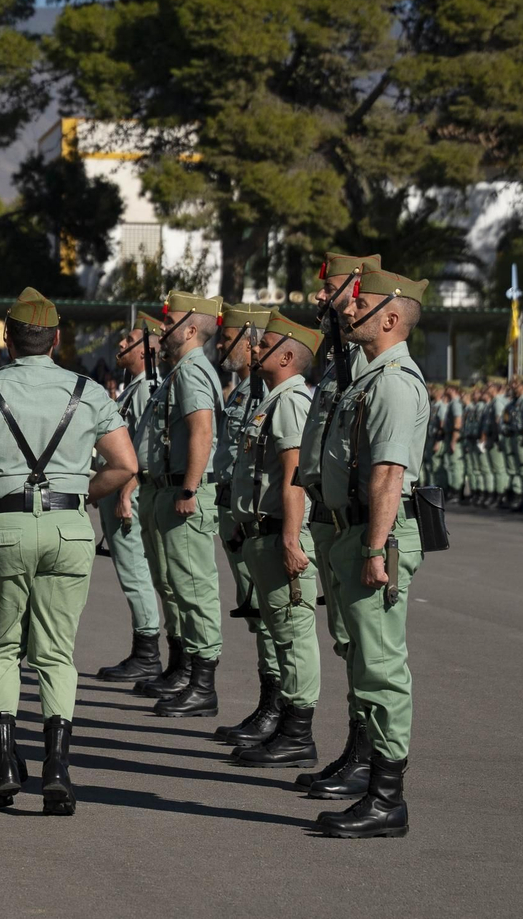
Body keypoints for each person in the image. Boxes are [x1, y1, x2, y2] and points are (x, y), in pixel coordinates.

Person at [0, 288, 137, 816]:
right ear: (57, 339)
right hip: (69, 528)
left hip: (5, 525)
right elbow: (124, 465)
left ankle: (3, 766)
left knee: (0, 648)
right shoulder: (86, 390)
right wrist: (78, 496)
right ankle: (58, 770)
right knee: (56, 653)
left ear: (8, 339)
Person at [314, 268, 431, 839]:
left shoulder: (391, 382)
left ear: (389, 318)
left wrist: (376, 547)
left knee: (381, 666)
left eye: (359, 305)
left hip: (372, 534)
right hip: (355, 531)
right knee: (363, 660)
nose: (347, 310)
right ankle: (372, 779)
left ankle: (388, 798)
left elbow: (388, 474)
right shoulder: (370, 376)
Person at [293, 250, 381, 800]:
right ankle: (356, 747)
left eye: (332, 289)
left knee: (366, 649)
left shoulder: (371, 362)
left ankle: (369, 754)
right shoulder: (341, 359)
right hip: (330, 519)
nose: (321, 299)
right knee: (347, 643)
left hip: (355, 523)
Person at [227, 312, 324, 769]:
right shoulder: (271, 399)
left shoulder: (289, 401)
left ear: (286, 355)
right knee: (280, 633)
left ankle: (298, 732)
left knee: (294, 633)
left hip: (279, 534)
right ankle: (284, 719)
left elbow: (294, 474)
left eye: (263, 343)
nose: (253, 348)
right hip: (260, 531)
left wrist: (290, 537)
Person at [138, 290, 226, 719]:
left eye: (170, 323)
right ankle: (190, 672)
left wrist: (189, 489)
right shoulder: (181, 371)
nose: (163, 329)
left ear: (191, 330)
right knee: (178, 586)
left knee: (195, 589)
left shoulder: (192, 372)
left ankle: (203, 684)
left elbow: (202, 432)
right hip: (168, 489)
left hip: (183, 493)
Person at [211, 305, 283, 740]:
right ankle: (269, 702)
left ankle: (278, 708)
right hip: (238, 513)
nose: (222, 343)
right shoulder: (242, 390)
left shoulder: (264, 392)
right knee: (258, 613)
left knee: (268, 614)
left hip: (258, 517)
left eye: (231, 335)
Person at [93, 315, 165, 684]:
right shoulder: (136, 387)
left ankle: (147, 652)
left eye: (130, 340)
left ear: (149, 349)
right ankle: (145, 649)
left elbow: (143, 451)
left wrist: (125, 492)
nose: (121, 345)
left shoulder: (149, 388)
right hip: (117, 492)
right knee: (131, 572)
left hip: (127, 496)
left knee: (136, 572)